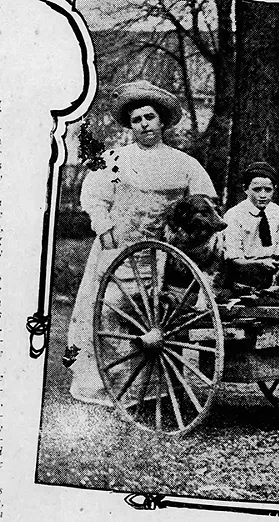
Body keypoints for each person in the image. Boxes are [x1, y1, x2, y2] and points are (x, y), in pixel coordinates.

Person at [67, 80, 218, 406]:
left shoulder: (184, 164)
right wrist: (108, 238)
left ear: (162, 121)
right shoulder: (114, 161)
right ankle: (108, 387)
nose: (144, 125)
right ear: (130, 126)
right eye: (137, 120)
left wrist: (188, 240)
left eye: (149, 117)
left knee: (164, 315)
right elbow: (95, 200)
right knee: (111, 308)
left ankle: (156, 388)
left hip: (162, 254)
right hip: (118, 250)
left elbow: (201, 207)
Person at [223, 162, 279, 288]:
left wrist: (277, 272)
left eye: (268, 190)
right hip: (244, 274)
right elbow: (234, 259)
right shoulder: (234, 215)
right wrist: (259, 264)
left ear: (275, 189)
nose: (262, 195)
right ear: (245, 188)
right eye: (256, 190)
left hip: (275, 273)